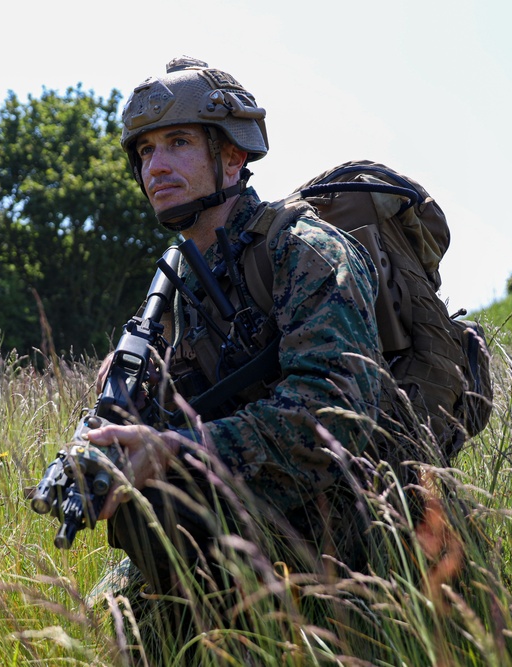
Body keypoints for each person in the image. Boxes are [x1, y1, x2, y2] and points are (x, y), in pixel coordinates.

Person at [83, 56, 385, 655]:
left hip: (348, 526)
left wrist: (177, 451)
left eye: (177, 142)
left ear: (233, 156)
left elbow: (333, 419)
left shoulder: (306, 252)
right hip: (247, 512)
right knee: (105, 621)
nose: (156, 166)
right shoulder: (180, 280)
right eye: (144, 151)